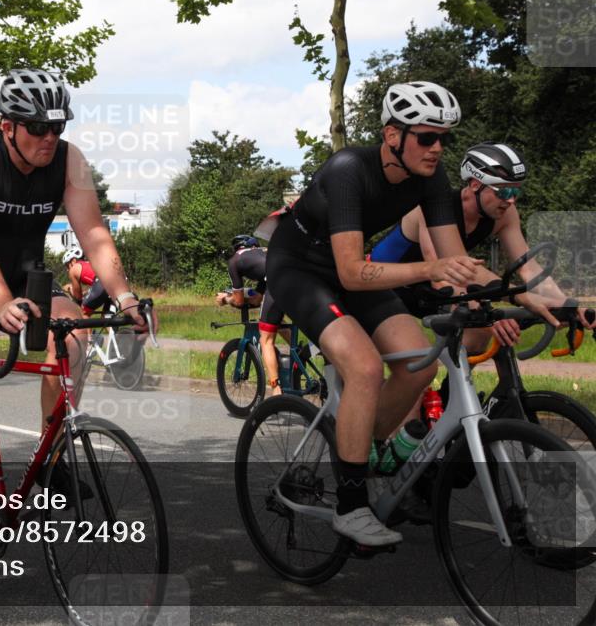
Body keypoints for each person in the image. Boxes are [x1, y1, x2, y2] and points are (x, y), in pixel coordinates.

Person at [262, 81, 561, 546]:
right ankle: (351, 504)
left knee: (419, 361)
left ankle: (360, 445)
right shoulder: (348, 170)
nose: (437, 148)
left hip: (350, 272)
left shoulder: (431, 180)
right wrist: (430, 268)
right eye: (426, 137)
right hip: (298, 269)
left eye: (443, 138)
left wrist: (532, 298)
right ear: (392, 135)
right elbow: (353, 271)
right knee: (364, 366)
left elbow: (457, 262)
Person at [0, 68, 154, 505]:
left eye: (57, 128)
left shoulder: (69, 160)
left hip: (22, 275)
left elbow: (94, 233)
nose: (49, 138)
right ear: (8, 126)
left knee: (74, 338)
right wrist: (1, 302)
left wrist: (125, 298)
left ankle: (50, 457)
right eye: (38, 128)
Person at [370, 142, 593, 351]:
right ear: (475, 185)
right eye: (503, 192)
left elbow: (528, 268)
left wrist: (567, 303)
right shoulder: (434, 208)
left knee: (479, 333)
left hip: (427, 288)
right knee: (416, 356)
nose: (511, 200)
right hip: (386, 285)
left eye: (516, 192)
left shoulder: (506, 214)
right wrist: (485, 310)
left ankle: (452, 381)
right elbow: (442, 274)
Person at [216, 235, 286, 395]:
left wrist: (225, 299)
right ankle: (301, 354)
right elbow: (257, 299)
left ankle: (276, 390)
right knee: (278, 321)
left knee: (266, 340)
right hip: (296, 274)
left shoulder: (234, 261)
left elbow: (239, 301)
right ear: (254, 247)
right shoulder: (265, 255)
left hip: (277, 279)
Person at [63, 247, 110, 317]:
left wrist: (70, 290)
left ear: (73, 261)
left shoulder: (73, 269)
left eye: (67, 265)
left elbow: (78, 298)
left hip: (102, 283)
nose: (67, 269)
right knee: (107, 318)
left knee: (83, 314)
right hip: (117, 281)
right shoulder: (89, 263)